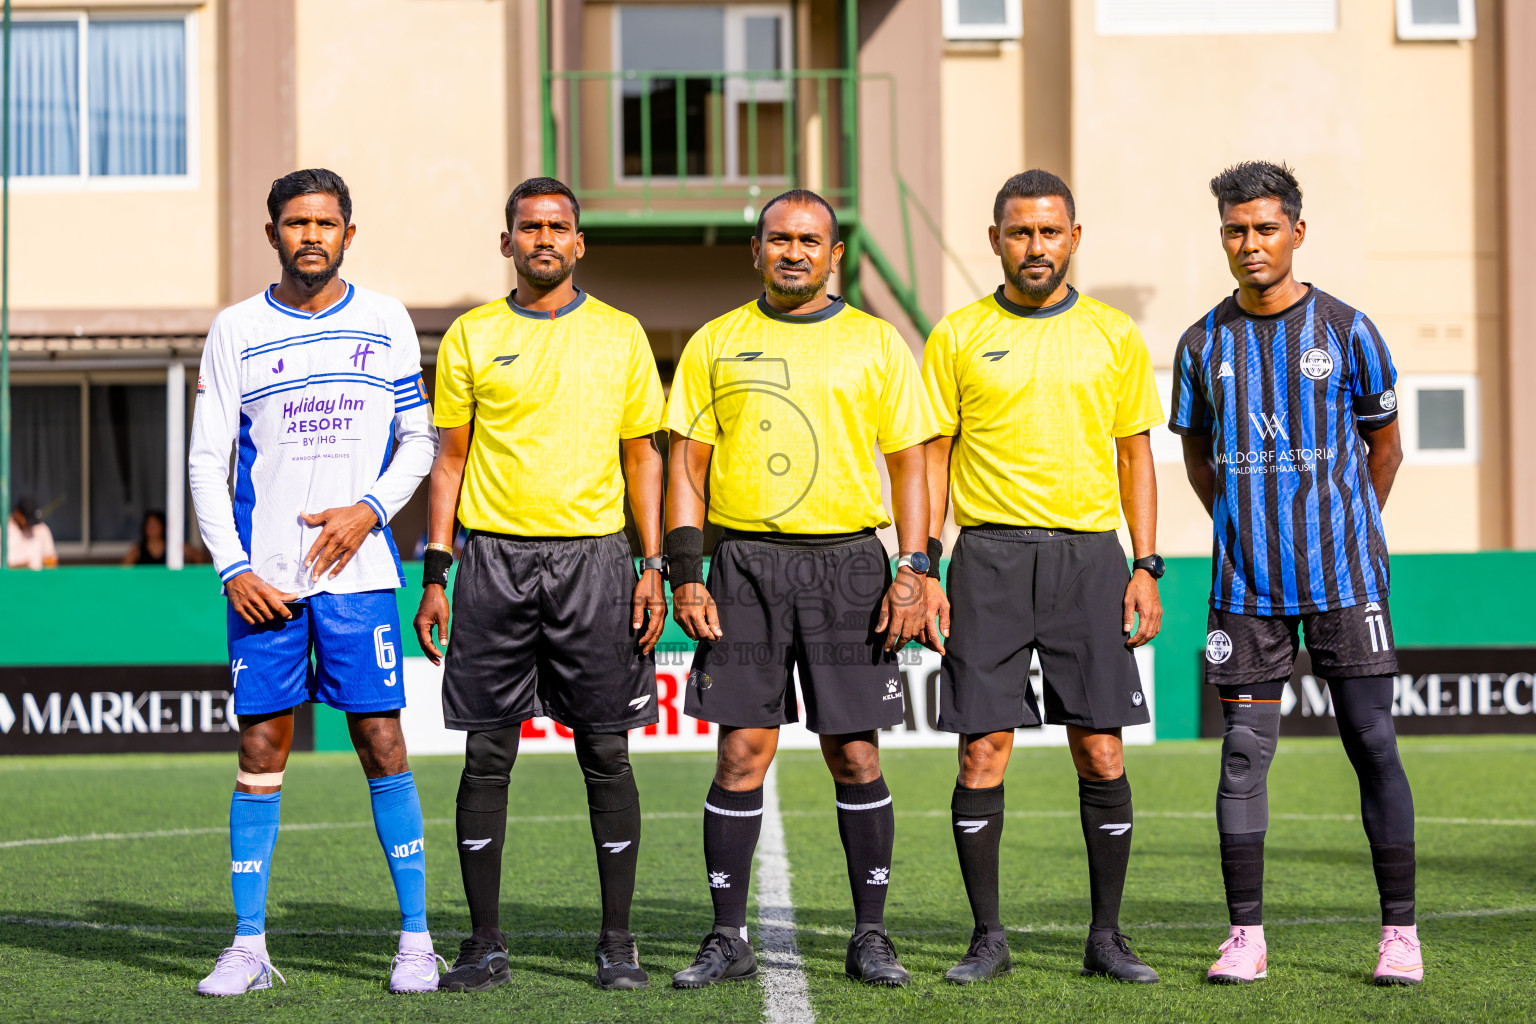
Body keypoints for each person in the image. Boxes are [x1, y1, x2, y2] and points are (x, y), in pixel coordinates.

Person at [664, 189, 937, 989]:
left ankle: (872, 936)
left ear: (834, 254)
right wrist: (686, 573)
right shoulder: (716, 342)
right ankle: (727, 936)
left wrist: (916, 568)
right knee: (740, 751)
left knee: (855, 755)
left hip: (851, 566)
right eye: (778, 239)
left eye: (809, 240)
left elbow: (911, 464)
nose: (793, 252)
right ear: (756, 250)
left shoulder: (877, 343)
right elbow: (688, 468)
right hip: (743, 564)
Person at [187, 168, 442, 996]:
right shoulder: (235, 329)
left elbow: (418, 443)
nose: (311, 236)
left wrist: (367, 512)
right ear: (273, 235)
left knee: (382, 743)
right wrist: (232, 567)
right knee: (260, 746)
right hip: (267, 584)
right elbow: (205, 460)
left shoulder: (385, 319)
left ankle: (415, 939)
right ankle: (250, 945)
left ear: (348, 234)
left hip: (361, 575)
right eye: (295, 223)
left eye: (325, 223)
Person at [413, 176, 667, 992]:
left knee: (605, 752)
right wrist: (437, 573)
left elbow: (642, 459)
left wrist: (652, 564)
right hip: (490, 564)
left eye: (558, 227)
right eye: (529, 228)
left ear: (579, 243)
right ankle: (484, 943)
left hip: (595, 561)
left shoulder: (622, 334)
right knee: (487, 754)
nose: (544, 239)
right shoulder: (471, 336)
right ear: (507, 242)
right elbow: (448, 460)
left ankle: (617, 942)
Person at [1170, 161, 1419, 986]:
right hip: (1245, 587)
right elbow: (1197, 454)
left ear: (1297, 233)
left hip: (1346, 577)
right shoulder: (1202, 343)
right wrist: (1243, 527)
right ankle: (1245, 938)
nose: (1250, 244)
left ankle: (1400, 936)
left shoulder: (1348, 330)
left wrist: (1350, 525)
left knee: (1371, 741)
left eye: (1265, 228)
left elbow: (1385, 445)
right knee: (1242, 755)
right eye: (1236, 230)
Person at [921, 170, 1165, 985]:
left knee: (1099, 751)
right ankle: (987, 937)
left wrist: (1146, 564)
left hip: (1089, 559)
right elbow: (931, 455)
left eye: (1049, 231)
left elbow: (1137, 455)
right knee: (981, 752)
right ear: (995, 240)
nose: (1035, 246)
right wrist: (924, 564)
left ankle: (1107, 937)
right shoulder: (956, 334)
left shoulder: (1113, 334)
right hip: (986, 558)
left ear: (1074, 238)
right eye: (1019, 232)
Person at [7, 498, 57, 569]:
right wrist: (22, 566)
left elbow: (51, 559)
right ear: (17, 513)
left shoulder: (41, 528)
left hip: (38, 578)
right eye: (27, 519)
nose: (29, 524)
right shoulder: (4, 529)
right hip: (11, 578)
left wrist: (43, 562)